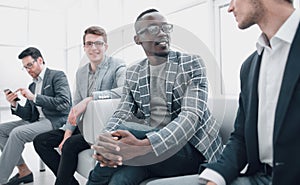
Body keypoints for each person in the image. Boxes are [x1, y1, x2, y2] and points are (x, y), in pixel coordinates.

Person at [149, 0, 300, 185]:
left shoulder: (189, 65)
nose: (229, 8)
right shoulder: (250, 66)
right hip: (259, 177)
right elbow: (240, 138)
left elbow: (190, 117)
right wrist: (216, 178)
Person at [86, 9, 223, 185]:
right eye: (152, 29)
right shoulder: (134, 73)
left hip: (192, 148)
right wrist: (105, 142)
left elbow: (190, 117)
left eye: (166, 28)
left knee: (126, 132)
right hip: (152, 153)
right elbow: (121, 113)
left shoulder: (191, 63)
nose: (162, 33)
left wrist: (144, 146)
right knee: (120, 180)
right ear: (137, 39)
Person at [33, 26, 126, 185]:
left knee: (69, 145)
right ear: (84, 47)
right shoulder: (81, 72)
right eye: (89, 44)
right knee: (41, 141)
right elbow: (76, 106)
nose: (94, 48)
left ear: (106, 46)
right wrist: (67, 132)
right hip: (82, 126)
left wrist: (91, 98)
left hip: (104, 127)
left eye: (98, 43)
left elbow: (124, 91)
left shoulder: (117, 64)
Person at [0, 47, 72, 185]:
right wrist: (14, 104)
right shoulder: (32, 85)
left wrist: (35, 97)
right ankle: (23, 171)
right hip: (37, 121)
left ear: (39, 60)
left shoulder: (57, 76)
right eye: (25, 67)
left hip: (55, 121)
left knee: (17, 133)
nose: (28, 70)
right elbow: (29, 115)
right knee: (1, 130)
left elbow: (64, 103)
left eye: (29, 65)